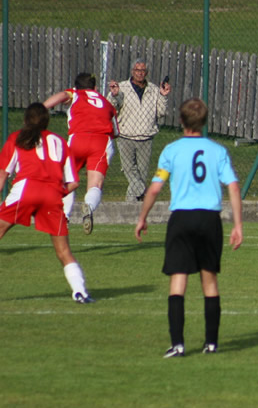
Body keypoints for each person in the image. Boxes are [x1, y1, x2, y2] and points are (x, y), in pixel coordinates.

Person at [135, 98, 243, 358]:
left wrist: (142, 217)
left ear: (181, 121)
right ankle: (212, 343)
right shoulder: (218, 151)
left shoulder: (171, 151)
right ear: (205, 123)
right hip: (209, 220)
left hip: (181, 219)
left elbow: (155, 187)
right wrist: (238, 225)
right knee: (209, 280)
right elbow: (234, 186)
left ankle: (178, 345)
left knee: (178, 280)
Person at [0, 103, 95, 303]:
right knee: (63, 251)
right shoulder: (60, 141)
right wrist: (56, 192)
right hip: (52, 195)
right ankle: (80, 292)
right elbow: (74, 182)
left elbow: (3, 175)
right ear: (47, 121)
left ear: (26, 119)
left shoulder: (17, 138)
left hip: (25, 190)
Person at [43, 72, 118, 234]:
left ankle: (64, 217)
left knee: (67, 179)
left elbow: (63, 95)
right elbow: (116, 131)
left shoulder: (76, 93)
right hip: (101, 141)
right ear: (96, 88)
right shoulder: (106, 103)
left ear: (76, 87)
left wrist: (42, 108)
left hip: (78, 138)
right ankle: (89, 206)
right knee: (95, 184)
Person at [107, 59, 171, 202]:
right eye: (137, 70)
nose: (140, 73)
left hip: (146, 137)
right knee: (130, 172)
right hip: (126, 136)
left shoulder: (154, 90)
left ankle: (131, 206)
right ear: (132, 72)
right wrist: (115, 95)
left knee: (140, 176)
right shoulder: (122, 87)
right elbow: (111, 107)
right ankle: (146, 193)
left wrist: (163, 96)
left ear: (146, 73)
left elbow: (161, 112)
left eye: (142, 71)